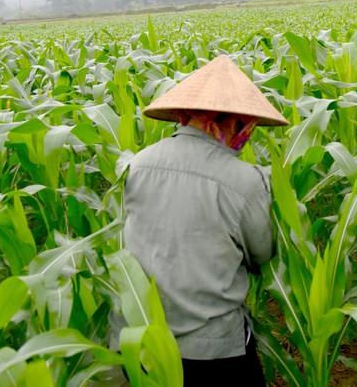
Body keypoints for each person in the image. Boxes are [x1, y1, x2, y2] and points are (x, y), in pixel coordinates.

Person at [123, 55, 288, 386]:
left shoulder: (137, 165)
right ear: (230, 122)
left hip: (144, 342)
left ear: (184, 117)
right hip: (214, 351)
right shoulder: (244, 181)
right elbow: (262, 254)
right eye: (246, 125)